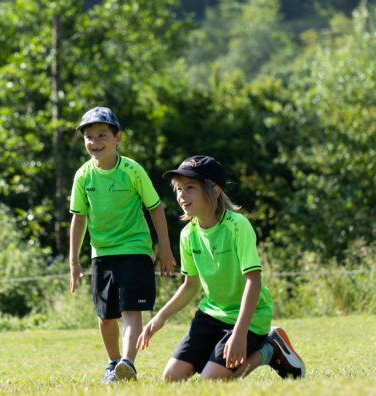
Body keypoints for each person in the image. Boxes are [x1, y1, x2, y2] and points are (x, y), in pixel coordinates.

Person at [136, 155, 305, 381]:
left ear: (214, 191)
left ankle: (270, 348)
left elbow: (253, 282)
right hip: (210, 315)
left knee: (211, 383)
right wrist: (159, 318)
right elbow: (191, 286)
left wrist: (240, 333)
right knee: (171, 378)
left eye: (190, 187)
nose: (181, 195)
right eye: (178, 189)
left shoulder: (238, 226)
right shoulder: (188, 234)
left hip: (249, 319)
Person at [68, 106, 176, 383]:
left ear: (118, 139)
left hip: (135, 249)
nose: (95, 142)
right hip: (101, 253)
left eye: (102, 135)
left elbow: (156, 208)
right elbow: (79, 219)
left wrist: (164, 248)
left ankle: (128, 362)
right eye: (89, 137)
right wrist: (73, 261)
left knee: (130, 310)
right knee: (105, 317)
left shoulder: (132, 170)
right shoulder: (83, 176)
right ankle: (113, 364)